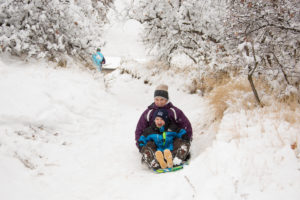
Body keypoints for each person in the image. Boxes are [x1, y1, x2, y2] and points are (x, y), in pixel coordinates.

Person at [135, 84, 192, 169]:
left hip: (171, 139)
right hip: (155, 141)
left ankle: (176, 158)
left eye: (162, 99)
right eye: (156, 99)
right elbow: (140, 128)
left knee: (179, 143)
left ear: (167, 99)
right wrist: (140, 145)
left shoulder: (174, 111)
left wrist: (187, 138)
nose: (159, 102)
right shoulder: (149, 112)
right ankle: (153, 160)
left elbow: (185, 125)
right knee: (149, 146)